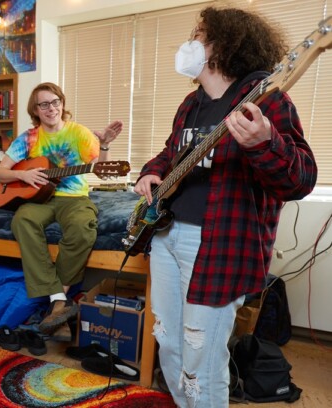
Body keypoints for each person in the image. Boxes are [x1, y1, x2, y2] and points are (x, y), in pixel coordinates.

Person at [132, 7, 316, 407]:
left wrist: (264, 142)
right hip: (166, 234)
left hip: (218, 247)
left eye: (200, 34)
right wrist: (150, 173)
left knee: (202, 356)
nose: (190, 42)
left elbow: (301, 179)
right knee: (168, 343)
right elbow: (169, 154)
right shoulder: (189, 104)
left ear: (228, 44)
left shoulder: (267, 99)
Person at [0, 82, 122, 341]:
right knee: (22, 220)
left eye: (55, 102)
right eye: (44, 104)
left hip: (74, 198)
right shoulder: (29, 138)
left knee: (83, 228)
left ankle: (55, 301)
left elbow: (101, 169)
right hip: (40, 200)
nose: (51, 108)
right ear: (36, 109)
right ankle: (59, 299)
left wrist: (105, 145)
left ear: (62, 104)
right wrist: (26, 174)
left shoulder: (79, 133)